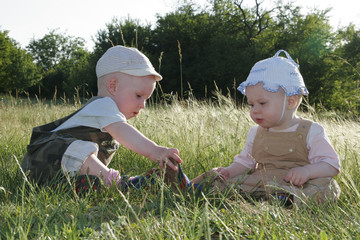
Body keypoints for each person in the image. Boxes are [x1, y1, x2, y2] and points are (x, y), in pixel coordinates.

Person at [21, 45, 190, 193]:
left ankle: (81, 186)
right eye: (139, 95)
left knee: (89, 167)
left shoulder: (105, 119)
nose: (143, 105)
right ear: (112, 86)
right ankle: (118, 183)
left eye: (145, 99)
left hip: (53, 175)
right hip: (42, 159)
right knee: (79, 149)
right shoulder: (103, 105)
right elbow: (124, 131)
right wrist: (154, 150)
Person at [191, 50, 341, 204]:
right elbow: (245, 163)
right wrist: (229, 171)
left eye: (262, 103)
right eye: (251, 104)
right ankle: (207, 188)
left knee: (325, 185)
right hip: (260, 182)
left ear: (291, 101)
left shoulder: (310, 131)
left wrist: (307, 171)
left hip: (298, 185)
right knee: (220, 176)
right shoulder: (256, 132)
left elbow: (331, 165)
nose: (255, 110)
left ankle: (287, 199)